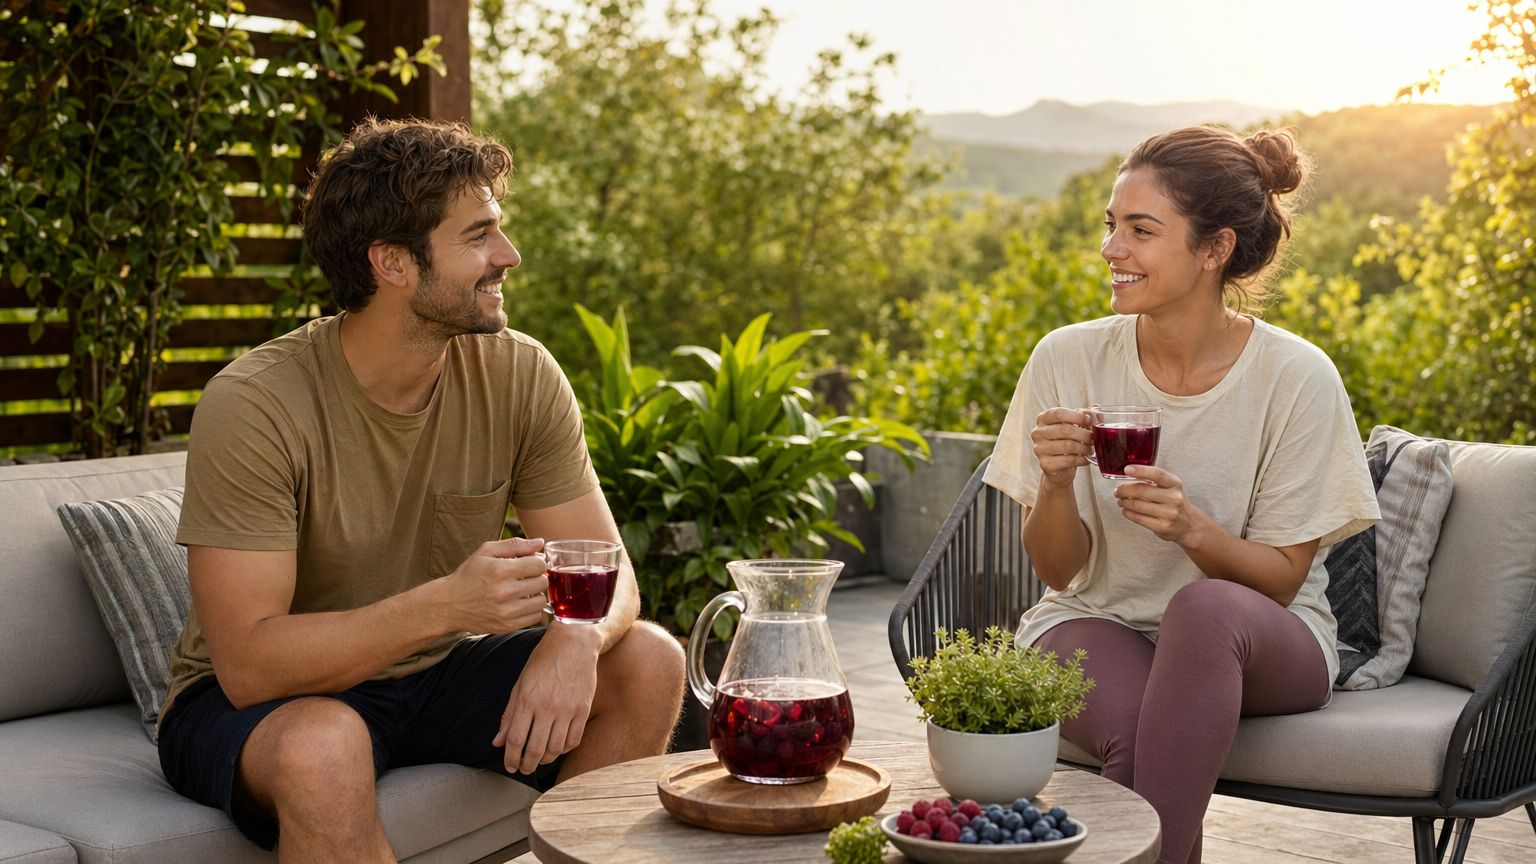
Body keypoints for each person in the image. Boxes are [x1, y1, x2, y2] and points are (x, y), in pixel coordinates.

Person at [155, 118, 687, 863]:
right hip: (257, 704)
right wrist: (448, 603)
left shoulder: (518, 372)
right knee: (323, 744)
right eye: (478, 237)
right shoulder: (256, 403)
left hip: (431, 673)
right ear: (392, 263)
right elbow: (248, 664)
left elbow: (606, 566)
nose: (509, 256)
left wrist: (574, 635)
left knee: (648, 661)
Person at [983, 126, 1380, 864]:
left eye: (1140, 230)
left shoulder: (1295, 378)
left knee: (1200, 608)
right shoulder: (1066, 357)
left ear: (1214, 248)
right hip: (1095, 619)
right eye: (1111, 225)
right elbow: (1058, 574)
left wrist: (1194, 532)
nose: (1111, 249)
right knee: (1139, 730)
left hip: (1263, 637)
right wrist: (1059, 485)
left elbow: (1285, 580)